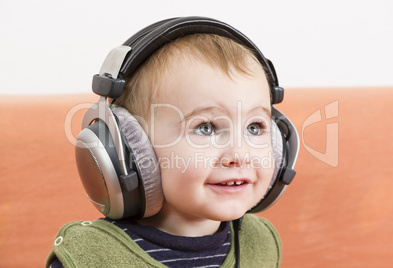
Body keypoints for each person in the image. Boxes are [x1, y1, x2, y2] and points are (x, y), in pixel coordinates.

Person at [47, 17, 298, 268]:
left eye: (255, 128)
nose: (239, 154)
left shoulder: (261, 243)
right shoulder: (90, 259)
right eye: (206, 128)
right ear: (131, 148)